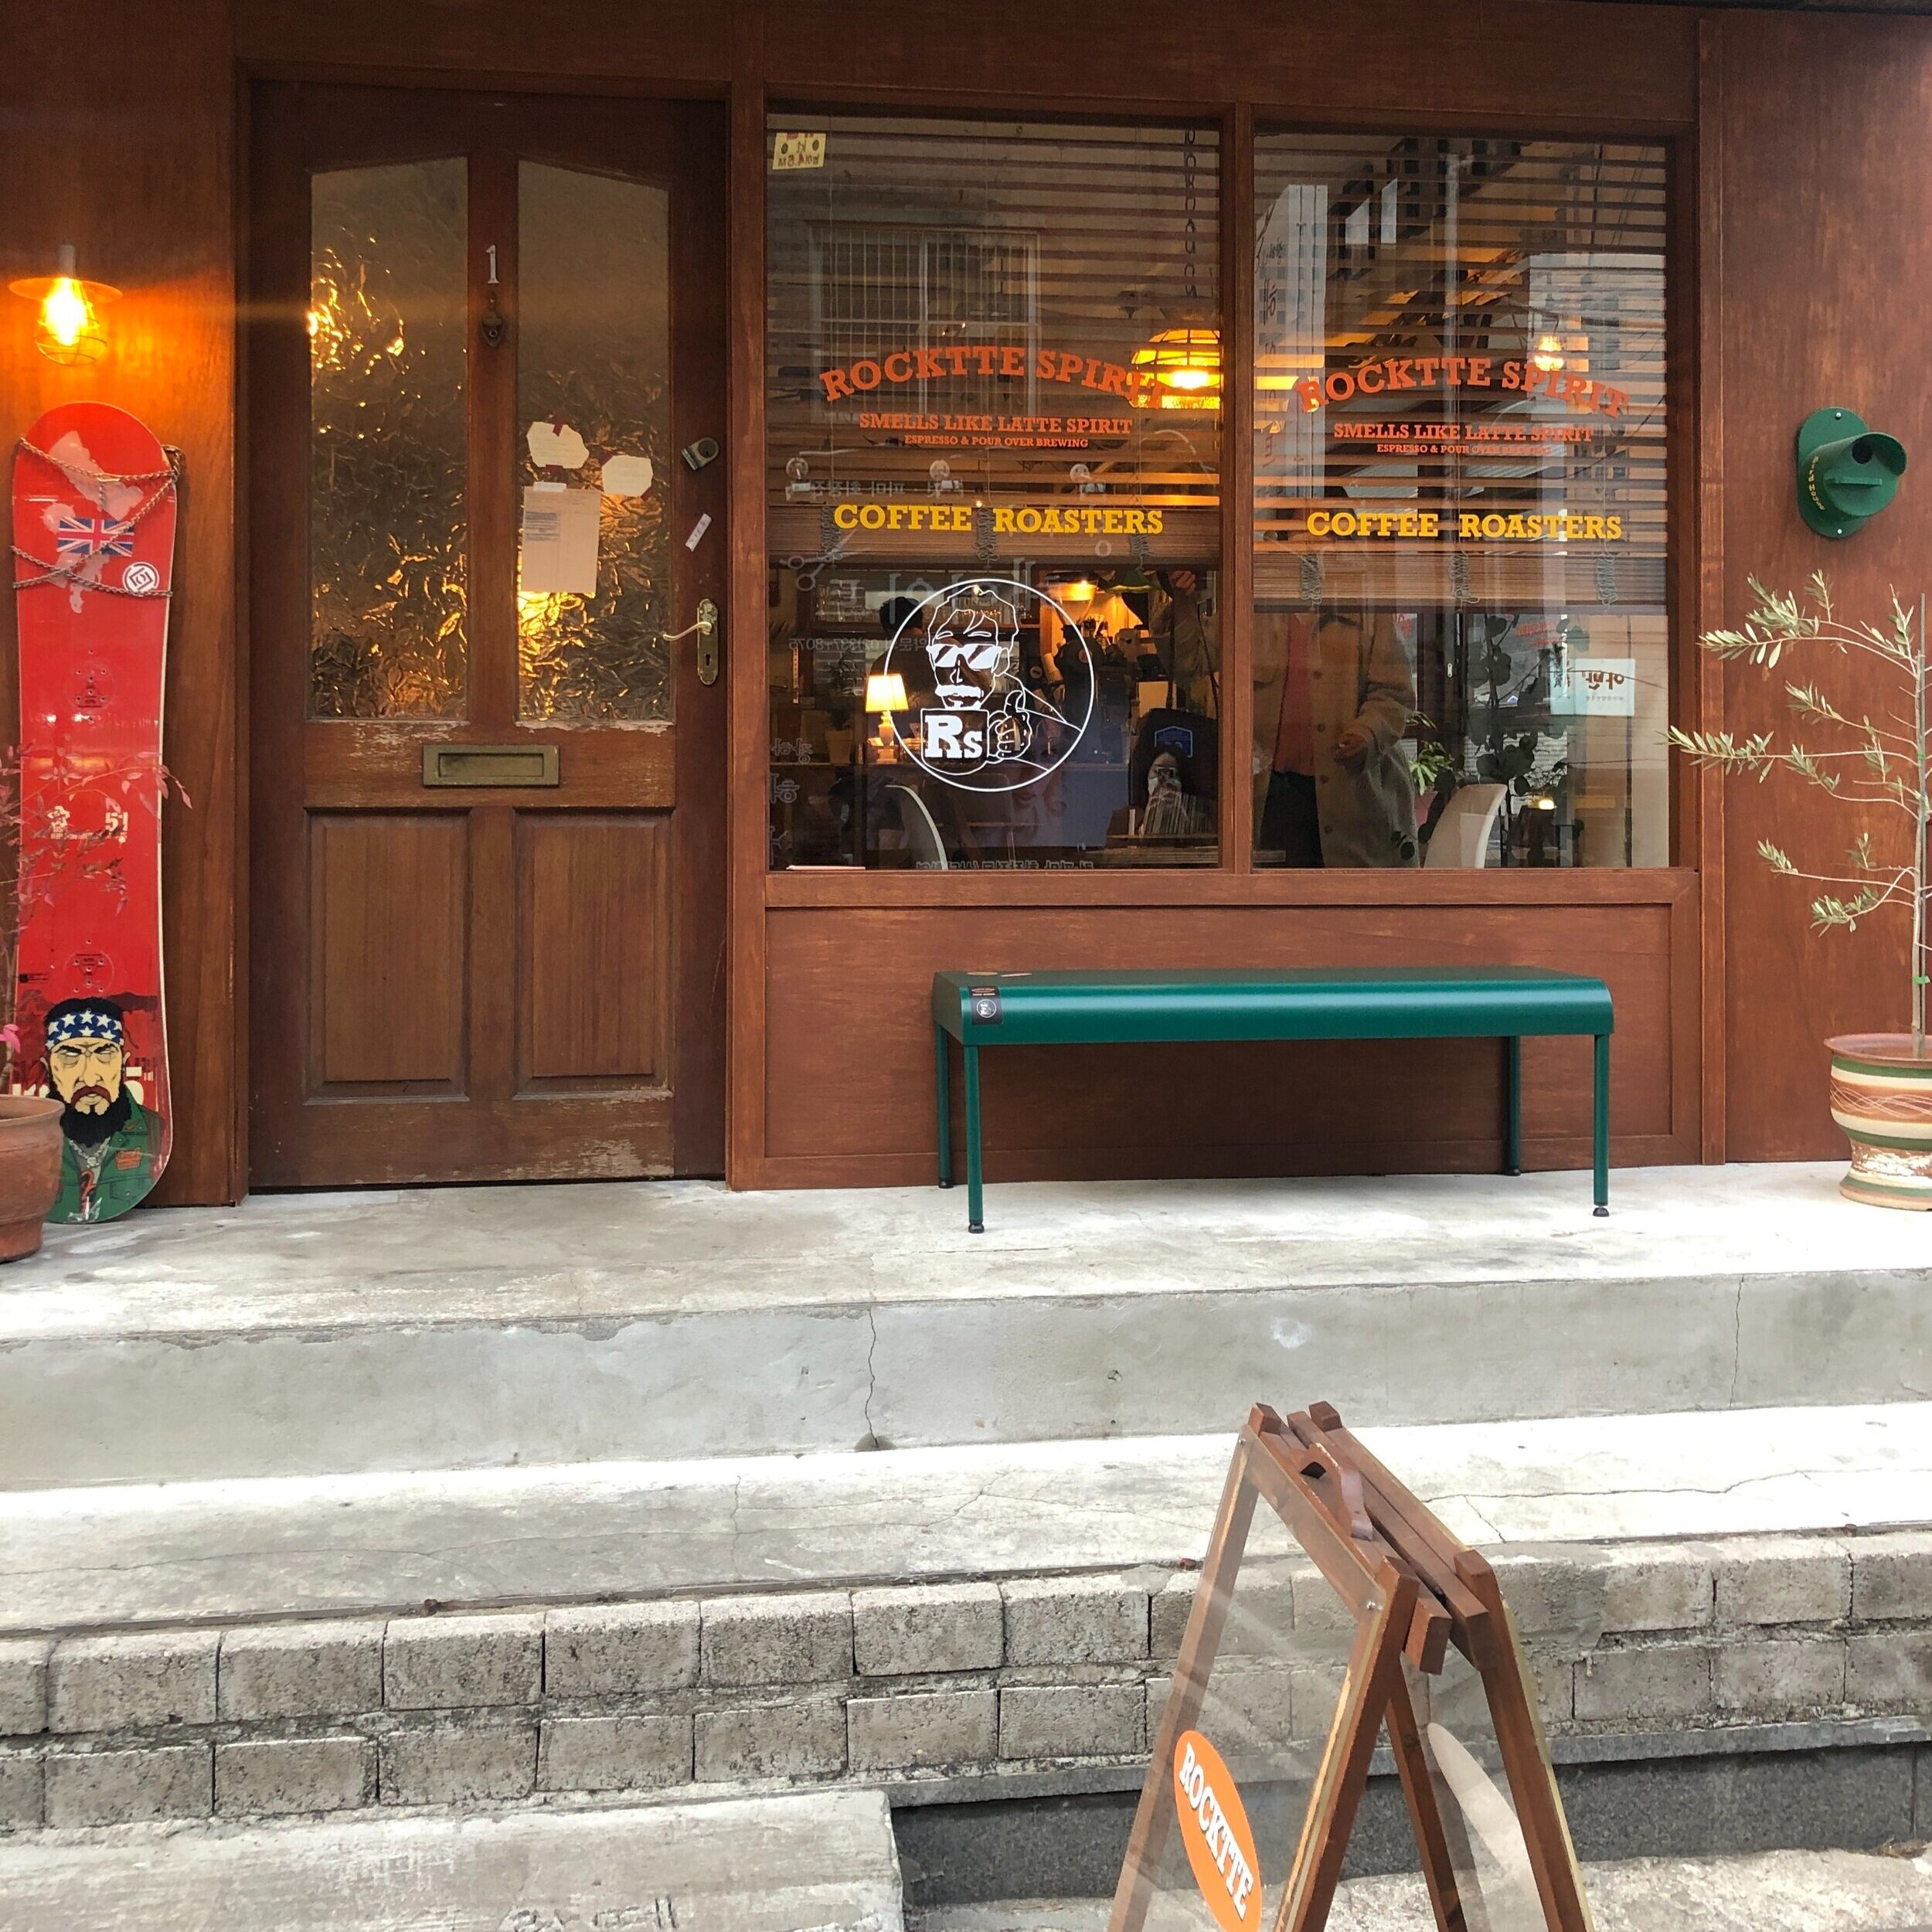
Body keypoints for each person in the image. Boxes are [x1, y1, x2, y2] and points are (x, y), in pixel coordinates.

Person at [1253, 606, 1418, 867]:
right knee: (1280, 891)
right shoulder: (1252, 608)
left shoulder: (1368, 610)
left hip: (1356, 799)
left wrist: (1367, 734)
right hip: (1273, 799)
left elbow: (1395, 694)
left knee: (1357, 891)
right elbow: (1192, 658)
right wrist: (1186, 604)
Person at [43, 997, 164, 1223]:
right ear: (48, 1068)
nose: (90, 1078)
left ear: (123, 1063)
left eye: (105, 1054)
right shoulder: (31, 1139)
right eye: (70, 1057)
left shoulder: (155, 1131)